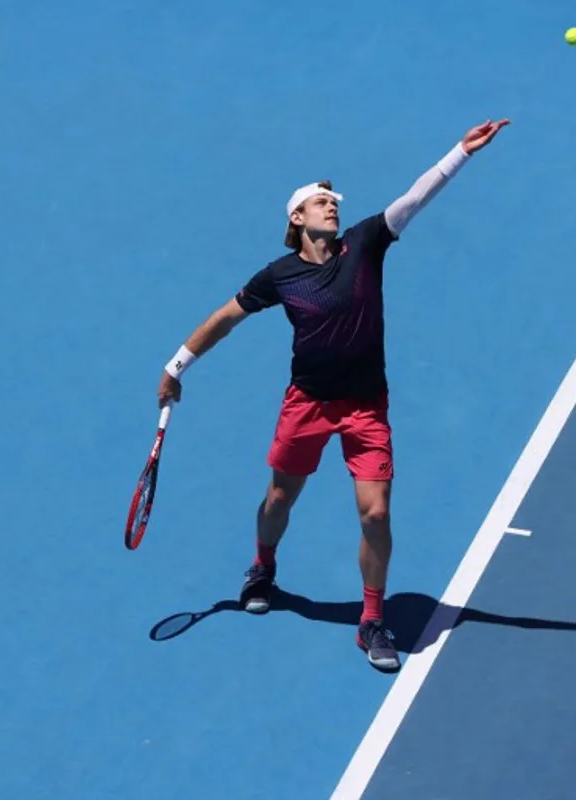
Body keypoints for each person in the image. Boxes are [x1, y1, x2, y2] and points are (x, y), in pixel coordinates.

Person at [156, 119, 511, 672]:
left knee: (376, 514)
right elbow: (225, 320)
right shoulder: (279, 276)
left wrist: (460, 153)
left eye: (334, 203)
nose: (333, 208)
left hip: (366, 407)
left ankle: (371, 620)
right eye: (322, 203)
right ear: (297, 218)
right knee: (279, 500)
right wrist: (176, 366)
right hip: (308, 405)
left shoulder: (366, 244)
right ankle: (263, 566)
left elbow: (415, 198)